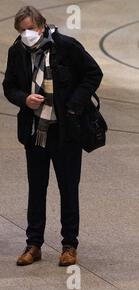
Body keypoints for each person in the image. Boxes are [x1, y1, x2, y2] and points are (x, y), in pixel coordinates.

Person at [2, 6, 103, 266]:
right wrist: (24, 99)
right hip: (35, 132)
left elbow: (93, 73)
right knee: (36, 189)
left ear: (42, 25)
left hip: (65, 132)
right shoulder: (17, 52)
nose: (27, 35)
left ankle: (69, 245)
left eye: (31, 29)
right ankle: (33, 244)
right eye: (22, 30)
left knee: (68, 188)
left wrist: (73, 105)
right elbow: (9, 86)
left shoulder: (66, 46)